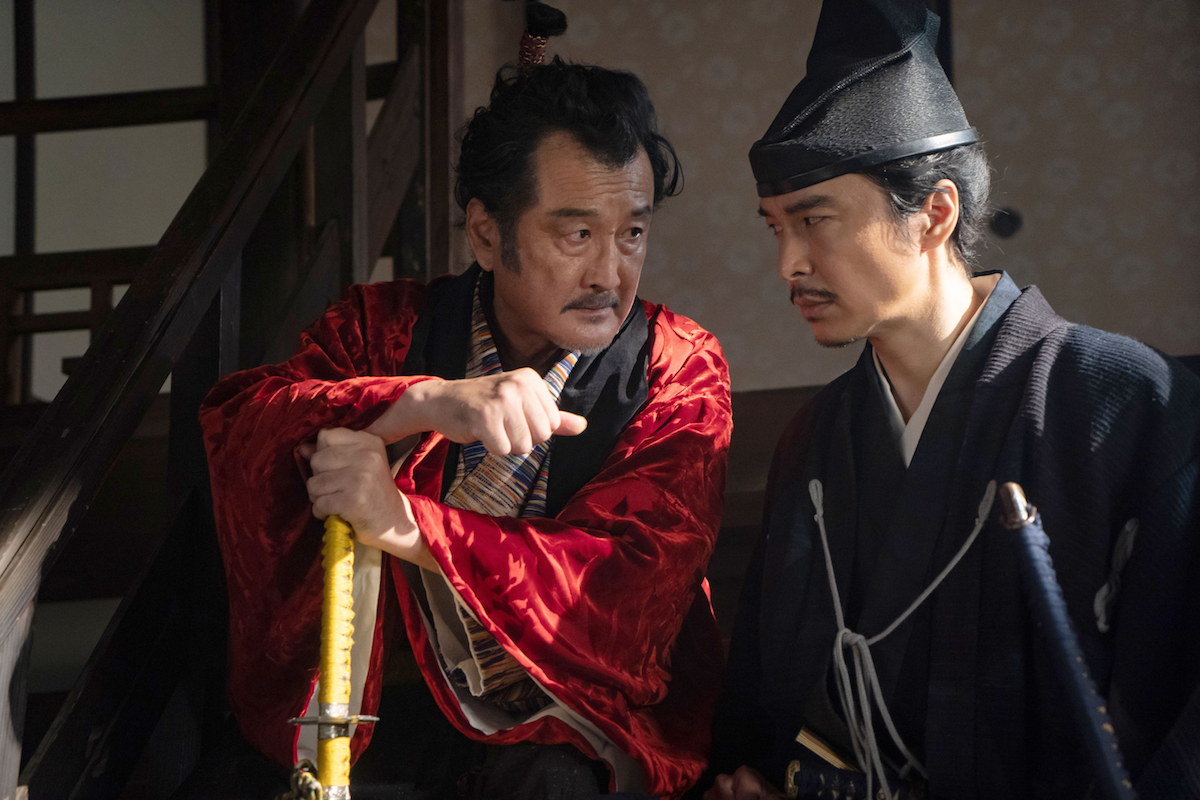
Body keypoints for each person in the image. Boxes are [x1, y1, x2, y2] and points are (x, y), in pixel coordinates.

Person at [199, 35, 731, 800]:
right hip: (391, 703)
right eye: (577, 234)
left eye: (633, 234)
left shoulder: (677, 365)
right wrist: (414, 403)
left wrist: (405, 524)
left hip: (576, 723)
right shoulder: (381, 331)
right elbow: (242, 429)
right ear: (486, 232)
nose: (609, 272)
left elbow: (629, 593)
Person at [702, 1, 1200, 798]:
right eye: (775, 228)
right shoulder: (814, 440)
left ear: (934, 214)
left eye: (815, 220)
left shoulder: (1124, 402)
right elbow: (765, 702)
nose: (788, 263)